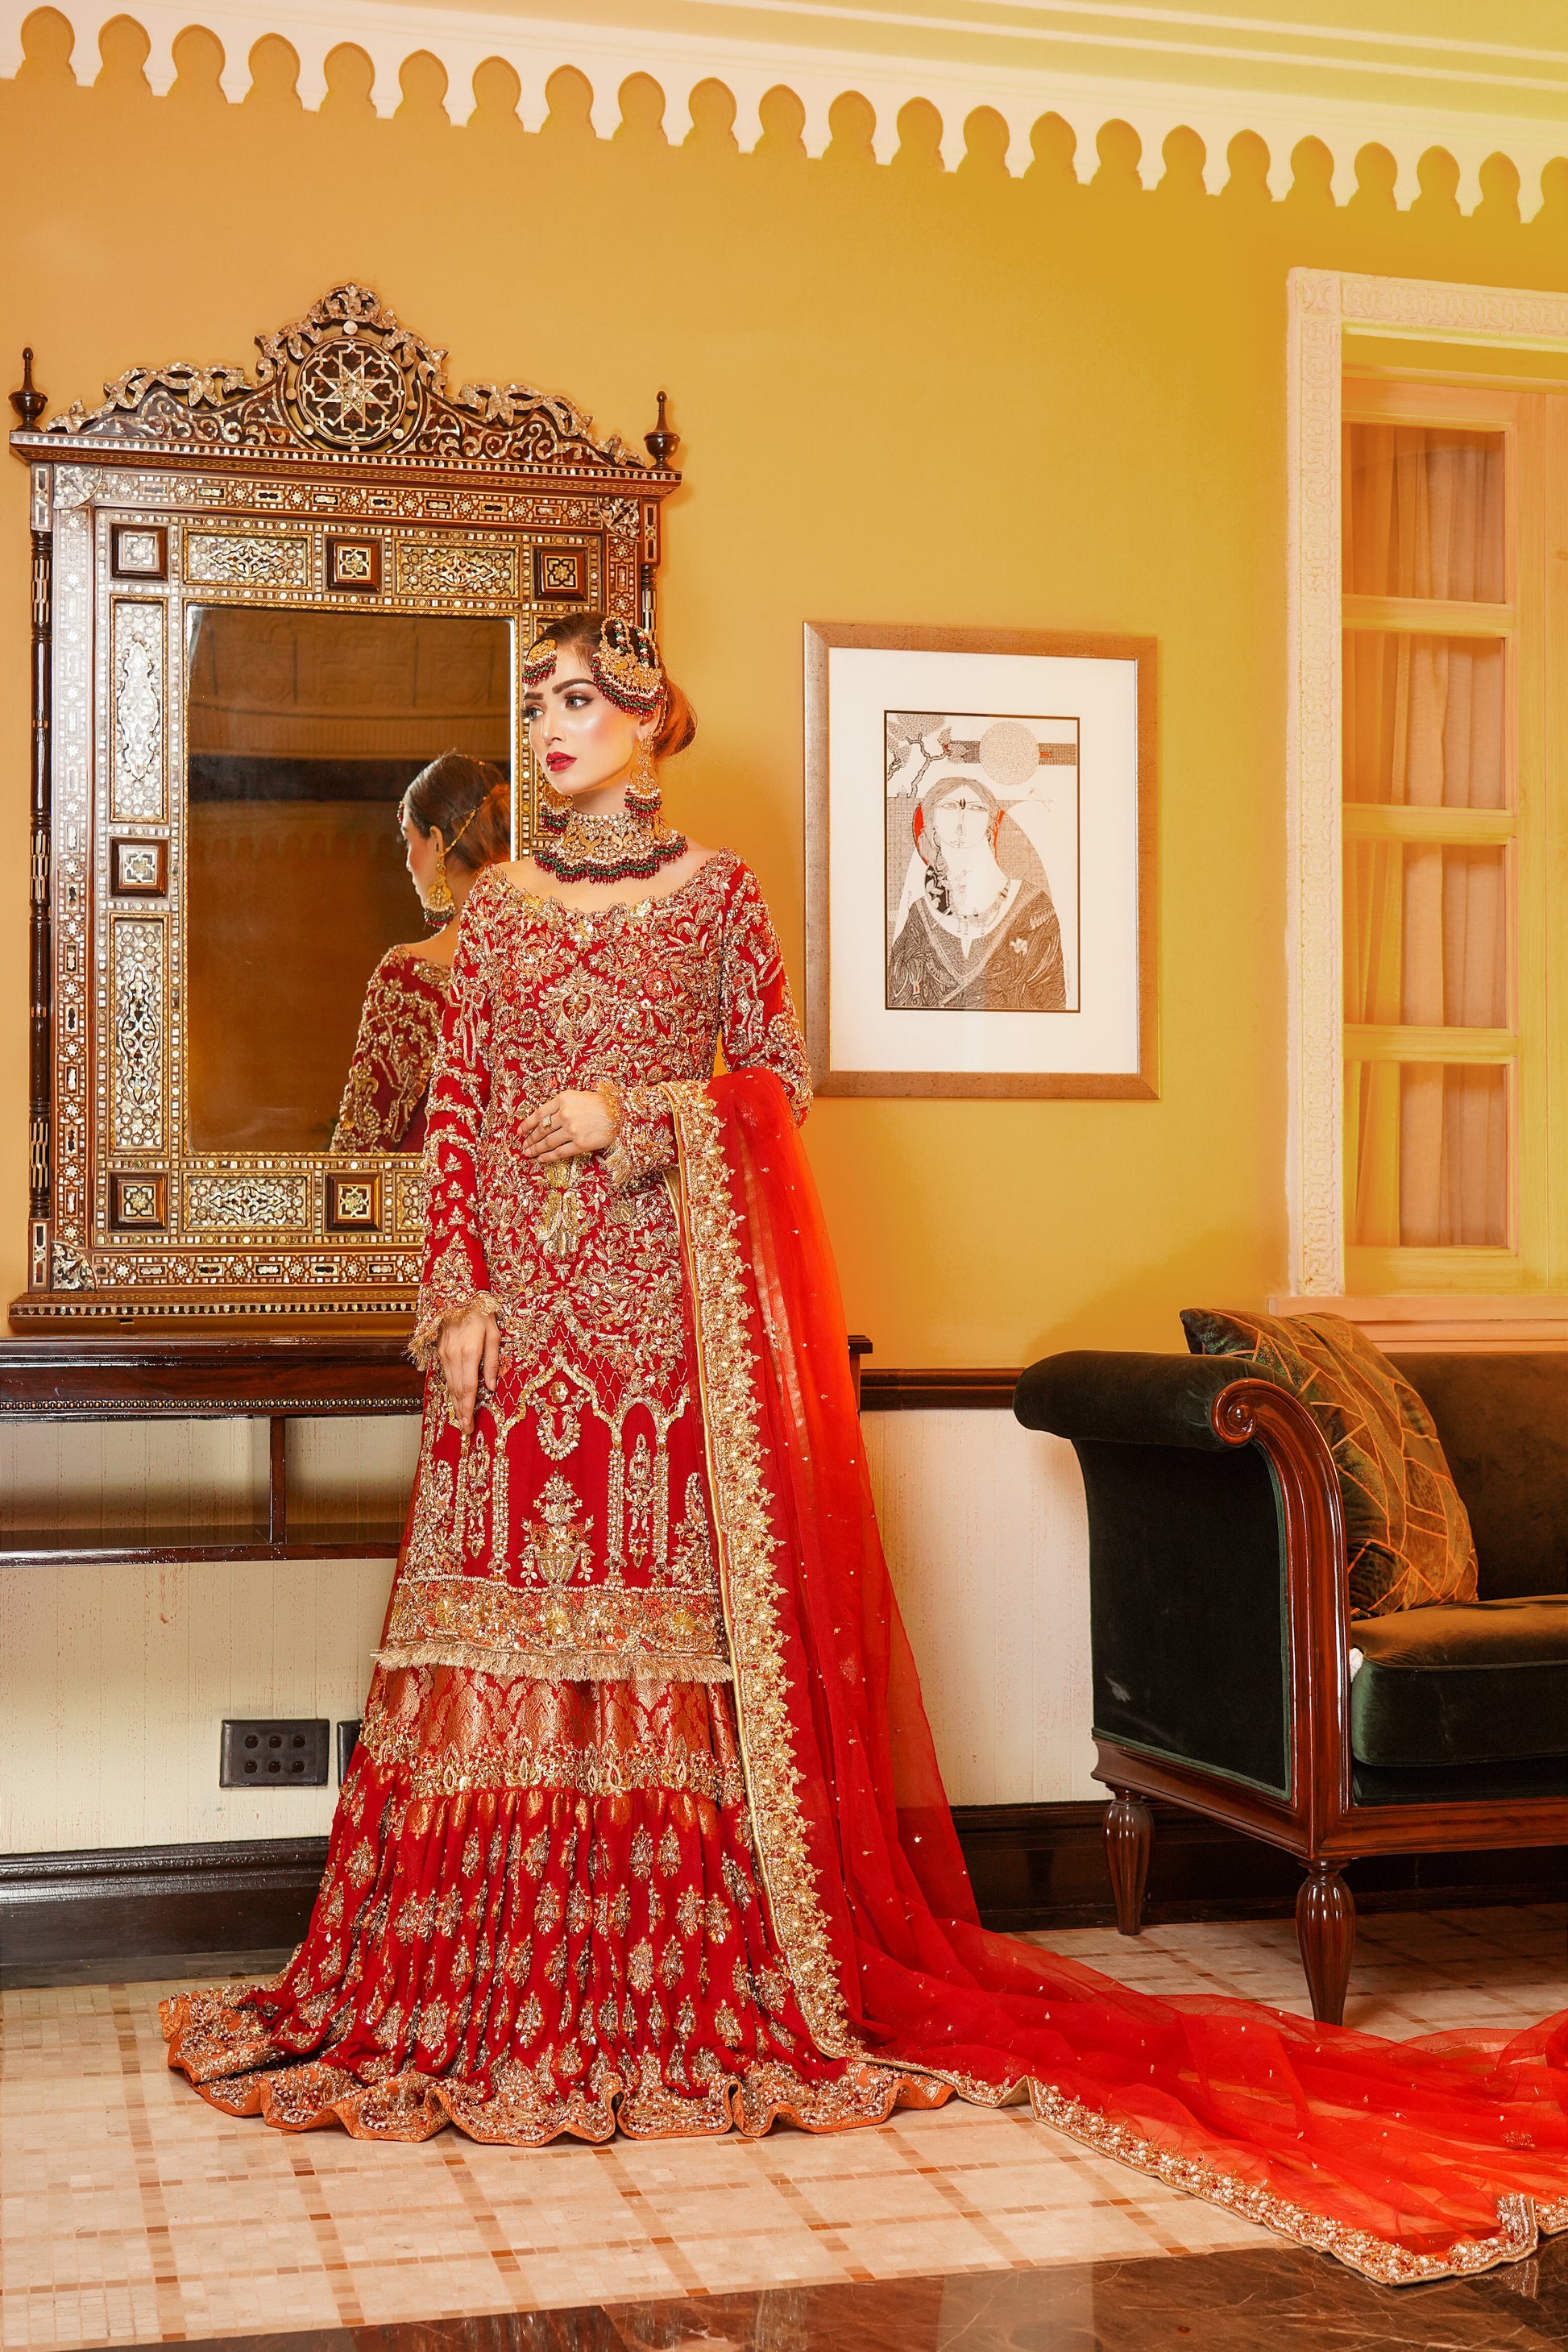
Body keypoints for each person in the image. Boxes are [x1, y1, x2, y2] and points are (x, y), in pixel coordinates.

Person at [164, 615, 1567, 2286]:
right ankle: (488, 1963)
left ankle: (673, 1968)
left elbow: (774, 1079)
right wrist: (452, 1297)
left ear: (647, 724)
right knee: (494, 1627)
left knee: (674, 1639)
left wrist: (641, 1118)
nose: (548, 725)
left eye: (577, 701)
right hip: (522, 1329)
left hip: (671, 1322)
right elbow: (455, 1108)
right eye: (533, 703)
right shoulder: (495, 917)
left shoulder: (719, 897)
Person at [330, 754, 511, 1152]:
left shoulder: (405, 978)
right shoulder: (547, 961)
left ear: (438, 842)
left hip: (426, 1211)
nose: (409, 864)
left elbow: (359, 1150)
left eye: (409, 841)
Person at [888, 773, 1067, 1012]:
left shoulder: (1033, 906)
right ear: (931, 824)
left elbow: (1051, 1000)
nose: (961, 816)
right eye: (949, 806)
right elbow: (899, 998)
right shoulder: (920, 914)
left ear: (991, 823)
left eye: (974, 808)